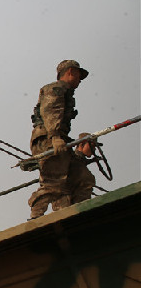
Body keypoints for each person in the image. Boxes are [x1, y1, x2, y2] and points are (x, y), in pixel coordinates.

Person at [28, 60, 96, 219]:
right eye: (78, 76)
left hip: (60, 139)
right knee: (54, 183)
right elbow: (51, 111)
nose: (79, 80)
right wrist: (55, 136)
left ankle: (74, 213)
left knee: (82, 177)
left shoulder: (67, 93)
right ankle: (35, 217)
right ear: (71, 72)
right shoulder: (56, 88)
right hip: (48, 139)